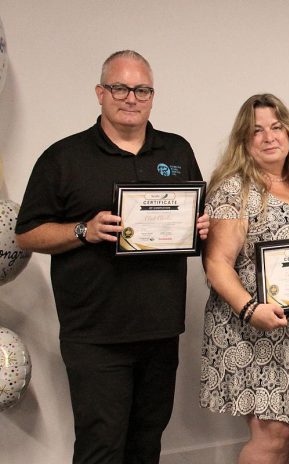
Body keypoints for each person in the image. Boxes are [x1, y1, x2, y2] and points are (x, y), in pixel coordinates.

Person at [15, 50, 209, 463]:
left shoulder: (176, 151)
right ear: (100, 93)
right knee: (101, 447)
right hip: (95, 334)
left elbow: (197, 217)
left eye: (141, 89)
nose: (131, 97)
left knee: (146, 442)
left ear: (152, 96)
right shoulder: (63, 157)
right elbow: (28, 234)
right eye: (120, 87)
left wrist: (201, 228)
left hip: (160, 328)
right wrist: (84, 230)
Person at [199, 93, 289, 464]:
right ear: (243, 141)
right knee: (271, 437)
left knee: (284, 436)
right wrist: (251, 310)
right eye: (257, 131)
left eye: (276, 127)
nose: (269, 137)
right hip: (256, 329)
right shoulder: (236, 190)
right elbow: (216, 263)